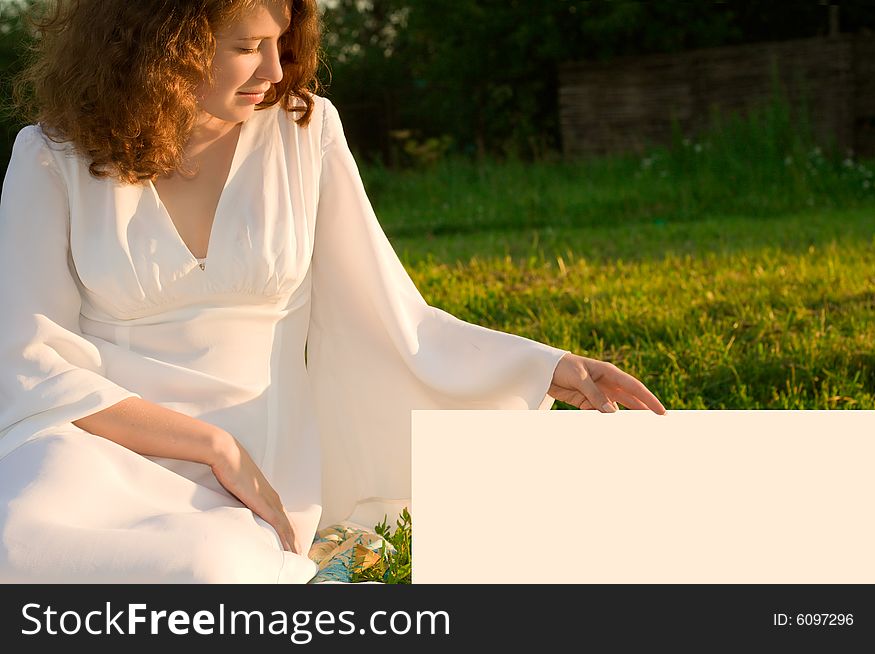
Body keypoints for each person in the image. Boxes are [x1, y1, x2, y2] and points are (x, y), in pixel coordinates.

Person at [0, 0, 666, 584]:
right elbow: (30, 362)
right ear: (162, 41)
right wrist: (211, 445)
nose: (273, 71)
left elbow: (392, 313)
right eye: (246, 48)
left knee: (205, 573)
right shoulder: (49, 156)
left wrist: (547, 366)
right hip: (100, 448)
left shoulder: (304, 131)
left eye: (281, 44)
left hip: (253, 476)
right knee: (16, 547)